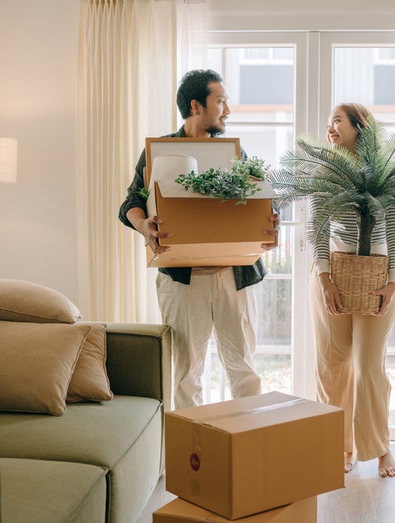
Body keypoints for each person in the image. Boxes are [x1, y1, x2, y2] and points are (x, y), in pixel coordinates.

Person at [118, 69, 279, 410]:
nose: (227, 110)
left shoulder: (237, 155)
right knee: (186, 375)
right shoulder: (158, 152)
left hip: (234, 277)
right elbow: (130, 203)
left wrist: (267, 221)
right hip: (183, 280)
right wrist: (145, 226)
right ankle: (195, 458)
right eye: (220, 101)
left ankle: (248, 453)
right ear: (196, 105)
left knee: (244, 369)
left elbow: (258, 202)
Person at [309, 103, 395, 478]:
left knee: (368, 367)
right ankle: (342, 446)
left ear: (358, 127)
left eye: (337, 120)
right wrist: (324, 279)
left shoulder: (386, 175)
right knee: (333, 366)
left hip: (378, 278)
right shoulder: (325, 172)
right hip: (332, 275)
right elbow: (316, 229)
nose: (330, 126)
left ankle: (381, 449)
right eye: (328, 120)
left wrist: (393, 282)